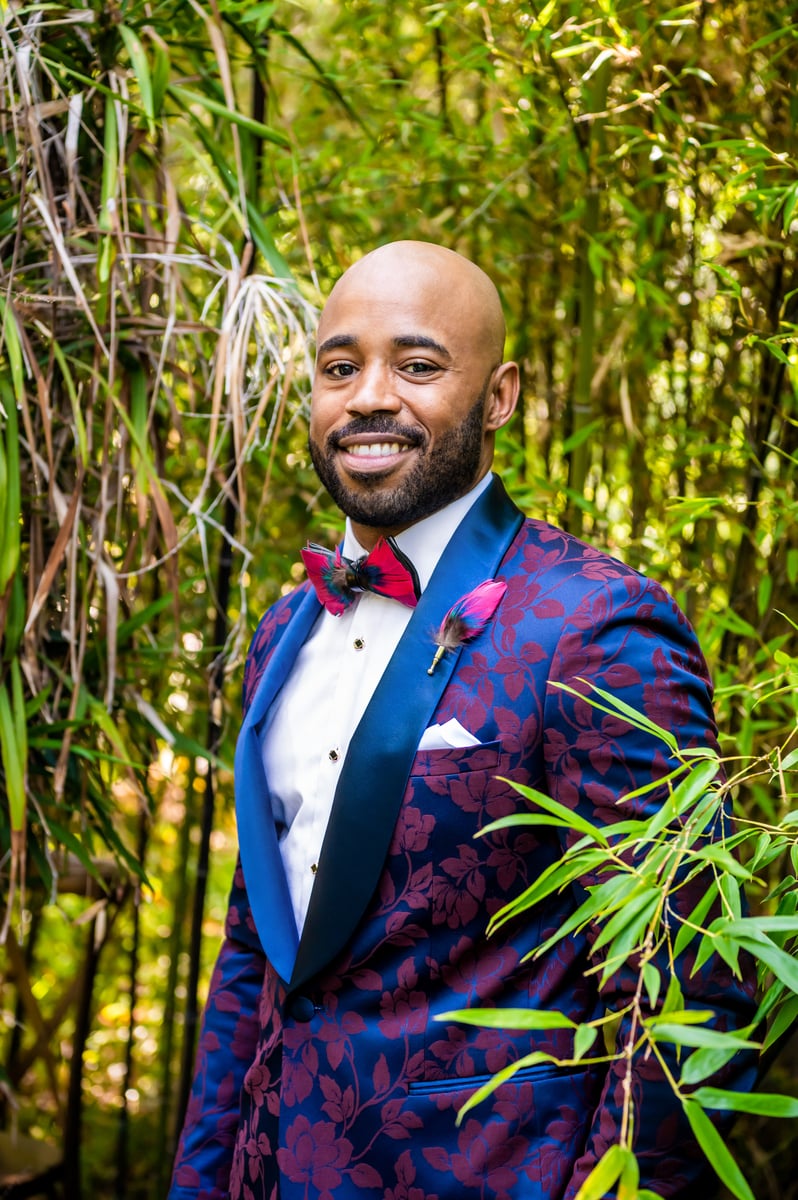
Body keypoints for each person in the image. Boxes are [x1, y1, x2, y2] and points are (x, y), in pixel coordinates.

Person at [169, 241, 756, 1200]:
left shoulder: (597, 627)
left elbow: (692, 991)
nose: (368, 397)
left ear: (499, 396)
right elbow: (255, 951)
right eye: (339, 368)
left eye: (417, 364)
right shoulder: (283, 630)